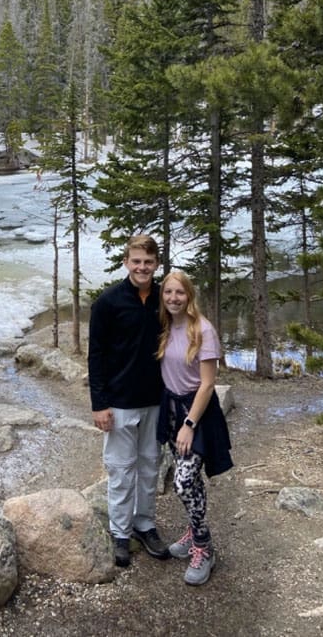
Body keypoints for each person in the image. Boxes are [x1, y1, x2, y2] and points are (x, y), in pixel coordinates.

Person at [88, 234, 170, 568]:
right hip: (119, 401)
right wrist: (99, 404)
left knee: (150, 465)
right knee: (121, 471)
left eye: (148, 262)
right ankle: (120, 532)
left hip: (156, 399)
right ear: (126, 262)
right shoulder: (108, 302)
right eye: (136, 261)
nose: (142, 267)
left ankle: (144, 524)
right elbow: (96, 356)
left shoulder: (164, 298)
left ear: (156, 264)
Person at [156, 270, 232, 586]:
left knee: (185, 481)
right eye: (168, 292)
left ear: (190, 295)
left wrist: (189, 424)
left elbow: (208, 384)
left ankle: (204, 547)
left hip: (196, 414)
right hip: (171, 410)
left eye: (180, 293)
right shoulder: (164, 326)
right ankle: (194, 531)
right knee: (188, 480)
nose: (174, 298)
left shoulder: (203, 330)